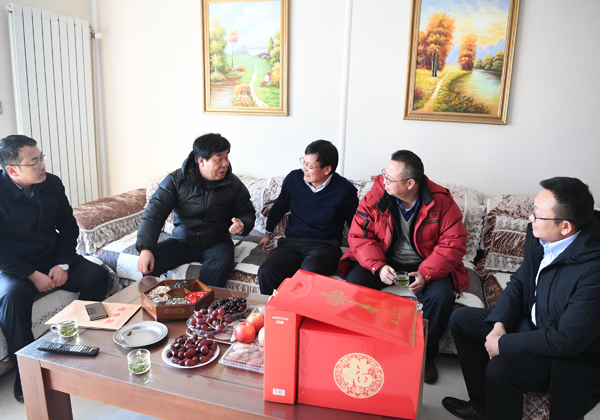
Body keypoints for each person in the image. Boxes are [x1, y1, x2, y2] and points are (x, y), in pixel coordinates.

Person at [442, 177, 600, 420]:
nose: (530, 218)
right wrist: (499, 325)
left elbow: (567, 340)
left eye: (537, 214)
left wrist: (504, 344)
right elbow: (521, 281)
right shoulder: (543, 235)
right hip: (535, 324)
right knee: (461, 319)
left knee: (501, 369)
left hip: (569, 357)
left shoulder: (593, 271)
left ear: (565, 227)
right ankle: (481, 407)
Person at [339, 150, 468, 384]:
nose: (383, 181)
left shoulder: (441, 201)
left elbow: (453, 244)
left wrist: (426, 273)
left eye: (390, 178)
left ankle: (426, 357)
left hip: (426, 262)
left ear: (410, 183)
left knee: (442, 297)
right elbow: (359, 235)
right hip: (383, 258)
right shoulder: (376, 195)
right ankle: (365, 346)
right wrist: (378, 267)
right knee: (356, 283)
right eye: (384, 174)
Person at [0, 135, 110, 402]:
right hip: (14, 266)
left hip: (52, 257)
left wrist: (62, 263)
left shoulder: (51, 183)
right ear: (12, 170)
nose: (42, 165)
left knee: (98, 275)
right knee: (12, 298)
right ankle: (25, 372)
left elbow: (69, 227)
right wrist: (32, 275)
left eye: (41, 157)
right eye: (34, 162)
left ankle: (79, 340)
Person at [136, 133, 255, 287]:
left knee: (220, 265)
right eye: (219, 159)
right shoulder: (176, 180)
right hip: (181, 241)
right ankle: (164, 301)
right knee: (150, 262)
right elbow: (154, 213)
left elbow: (247, 212)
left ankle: (203, 302)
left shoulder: (233, 184)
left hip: (217, 243)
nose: (225, 164)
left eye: (226, 157)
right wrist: (146, 248)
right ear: (201, 161)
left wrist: (243, 225)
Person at [258, 140, 359, 295]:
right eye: (303, 162)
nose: (303, 169)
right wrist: (267, 234)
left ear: (327, 169)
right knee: (266, 271)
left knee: (308, 272)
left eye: (310, 166)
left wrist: (357, 250)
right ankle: (272, 308)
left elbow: (355, 223)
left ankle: (299, 310)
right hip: (291, 243)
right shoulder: (293, 179)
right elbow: (279, 207)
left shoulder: (345, 190)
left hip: (325, 246)